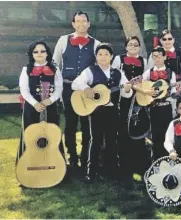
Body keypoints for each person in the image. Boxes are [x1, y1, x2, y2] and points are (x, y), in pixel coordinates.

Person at [71, 43, 132, 183]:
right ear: (96, 57)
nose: (103, 57)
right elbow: (75, 84)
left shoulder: (118, 73)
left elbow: (126, 94)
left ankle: (111, 171)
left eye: (106, 54)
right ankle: (90, 172)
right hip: (96, 111)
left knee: (112, 140)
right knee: (95, 140)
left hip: (112, 110)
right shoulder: (90, 70)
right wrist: (86, 88)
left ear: (111, 56)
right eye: (100, 54)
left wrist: (127, 88)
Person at [53, 11, 101, 168]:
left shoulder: (96, 44)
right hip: (68, 87)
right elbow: (55, 65)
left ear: (89, 23)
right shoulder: (63, 40)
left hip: (87, 90)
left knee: (87, 123)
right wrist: (58, 90)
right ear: (73, 24)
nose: (81, 24)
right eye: (78, 21)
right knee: (70, 123)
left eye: (84, 21)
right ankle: (72, 156)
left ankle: (86, 154)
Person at [17, 41, 64, 162]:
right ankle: (29, 163)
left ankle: (54, 163)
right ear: (31, 54)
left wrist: (50, 100)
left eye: (42, 51)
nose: (39, 54)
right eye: (36, 51)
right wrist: (35, 103)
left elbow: (59, 88)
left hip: (50, 106)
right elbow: (24, 89)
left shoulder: (55, 69)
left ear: (47, 53)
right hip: (32, 107)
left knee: (51, 135)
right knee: (31, 135)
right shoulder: (26, 69)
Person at [112, 36, 149, 182]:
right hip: (123, 98)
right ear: (125, 47)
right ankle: (123, 164)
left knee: (137, 127)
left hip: (138, 98)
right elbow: (114, 77)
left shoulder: (144, 61)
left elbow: (145, 79)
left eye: (136, 44)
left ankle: (139, 163)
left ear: (139, 47)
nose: (133, 46)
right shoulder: (118, 59)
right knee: (123, 129)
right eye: (130, 44)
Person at [134, 47, 179, 160]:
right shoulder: (148, 72)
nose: (157, 58)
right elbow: (137, 86)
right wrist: (146, 91)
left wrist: (175, 93)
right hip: (153, 108)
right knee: (155, 135)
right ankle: (156, 161)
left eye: (159, 55)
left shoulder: (170, 73)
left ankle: (167, 159)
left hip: (167, 108)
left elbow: (173, 90)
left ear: (165, 57)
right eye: (154, 56)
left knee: (167, 135)